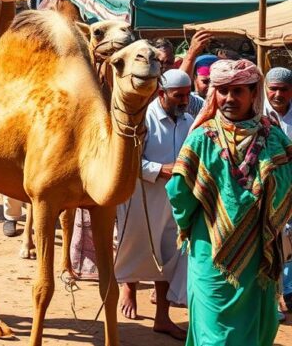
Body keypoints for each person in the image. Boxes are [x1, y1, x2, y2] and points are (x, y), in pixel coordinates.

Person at [167, 59, 292, 346]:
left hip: (258, 251)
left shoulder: (273, 138)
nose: (229, 99)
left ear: (253, 93)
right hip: (210, 251)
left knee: (255, 329)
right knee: (214, 331)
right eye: (223, 91)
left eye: (238, 91)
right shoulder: (201, 138)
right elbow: (179, 189)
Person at [115, 69, 191, 340]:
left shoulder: (189, 120)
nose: (184, 100)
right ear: (161, 94)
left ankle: (163, 318)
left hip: (174, 201)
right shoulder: (143, 119)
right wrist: (161, 169)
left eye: (187, 94)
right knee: (136, 250)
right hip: (141, 198)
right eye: (178, 95)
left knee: (169, 256)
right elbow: (128, 160)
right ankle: (129, 290)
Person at [263, 67, 292, 310]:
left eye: (283, 89)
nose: (278, 94)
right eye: (273, 89)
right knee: (269, 246)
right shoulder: (254, 114)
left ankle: (288, 297)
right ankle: (273, 304)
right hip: (266, 195)